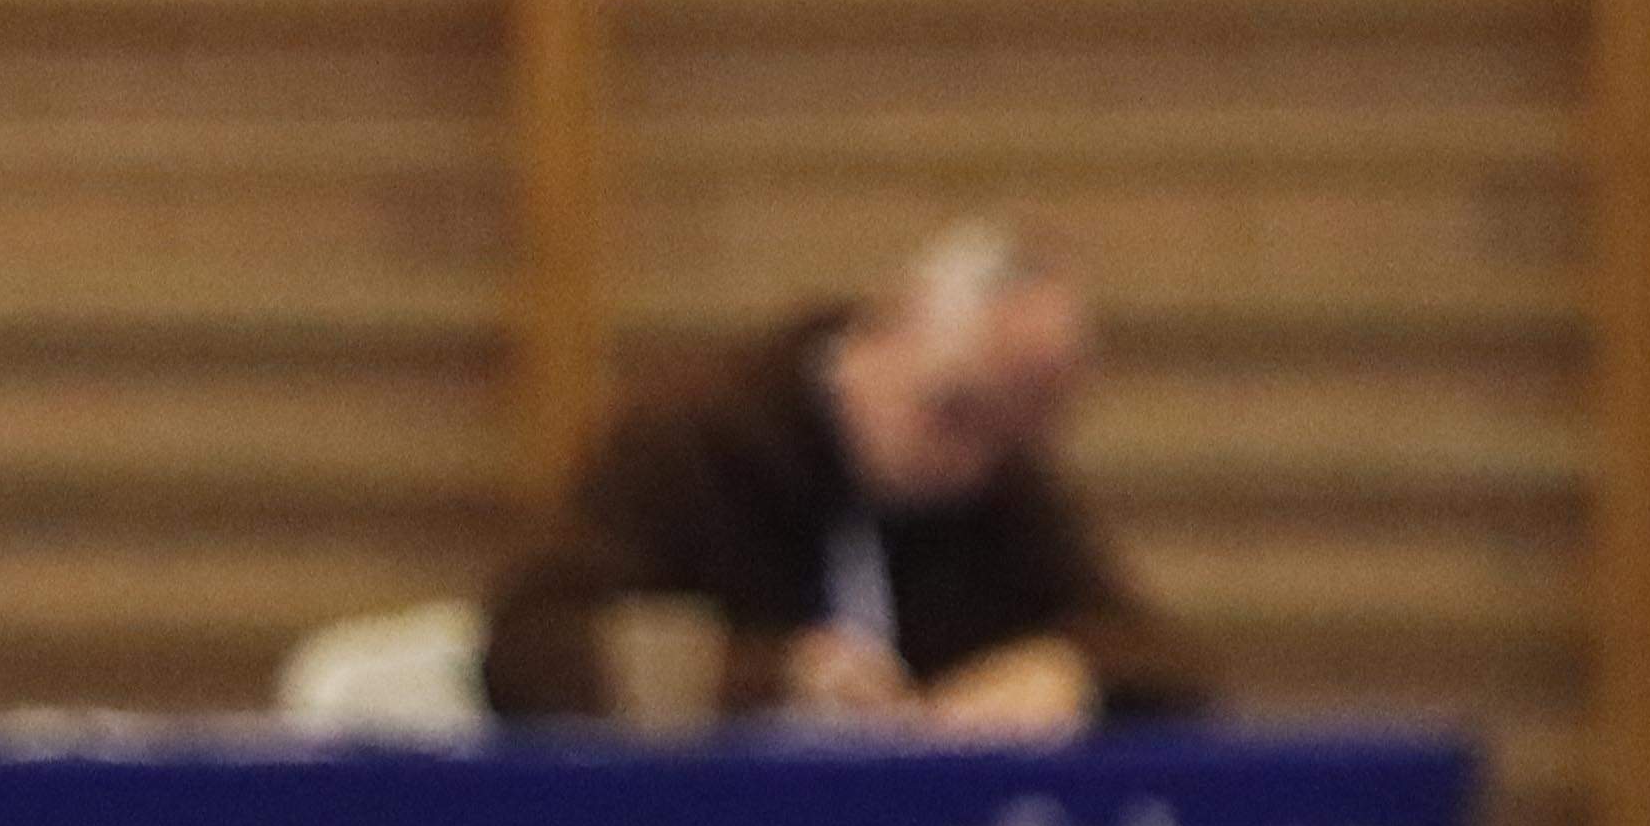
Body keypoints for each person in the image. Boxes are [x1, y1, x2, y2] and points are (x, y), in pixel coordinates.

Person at [483, 221, 1209, 730]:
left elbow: (1163, 657)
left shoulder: (991, 481)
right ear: (891, 326)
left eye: (1004, 439)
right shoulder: (688, 443)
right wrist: (771, 680)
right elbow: (528, 649)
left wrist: (1069, 672)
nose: (966, 462)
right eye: (950, 413)